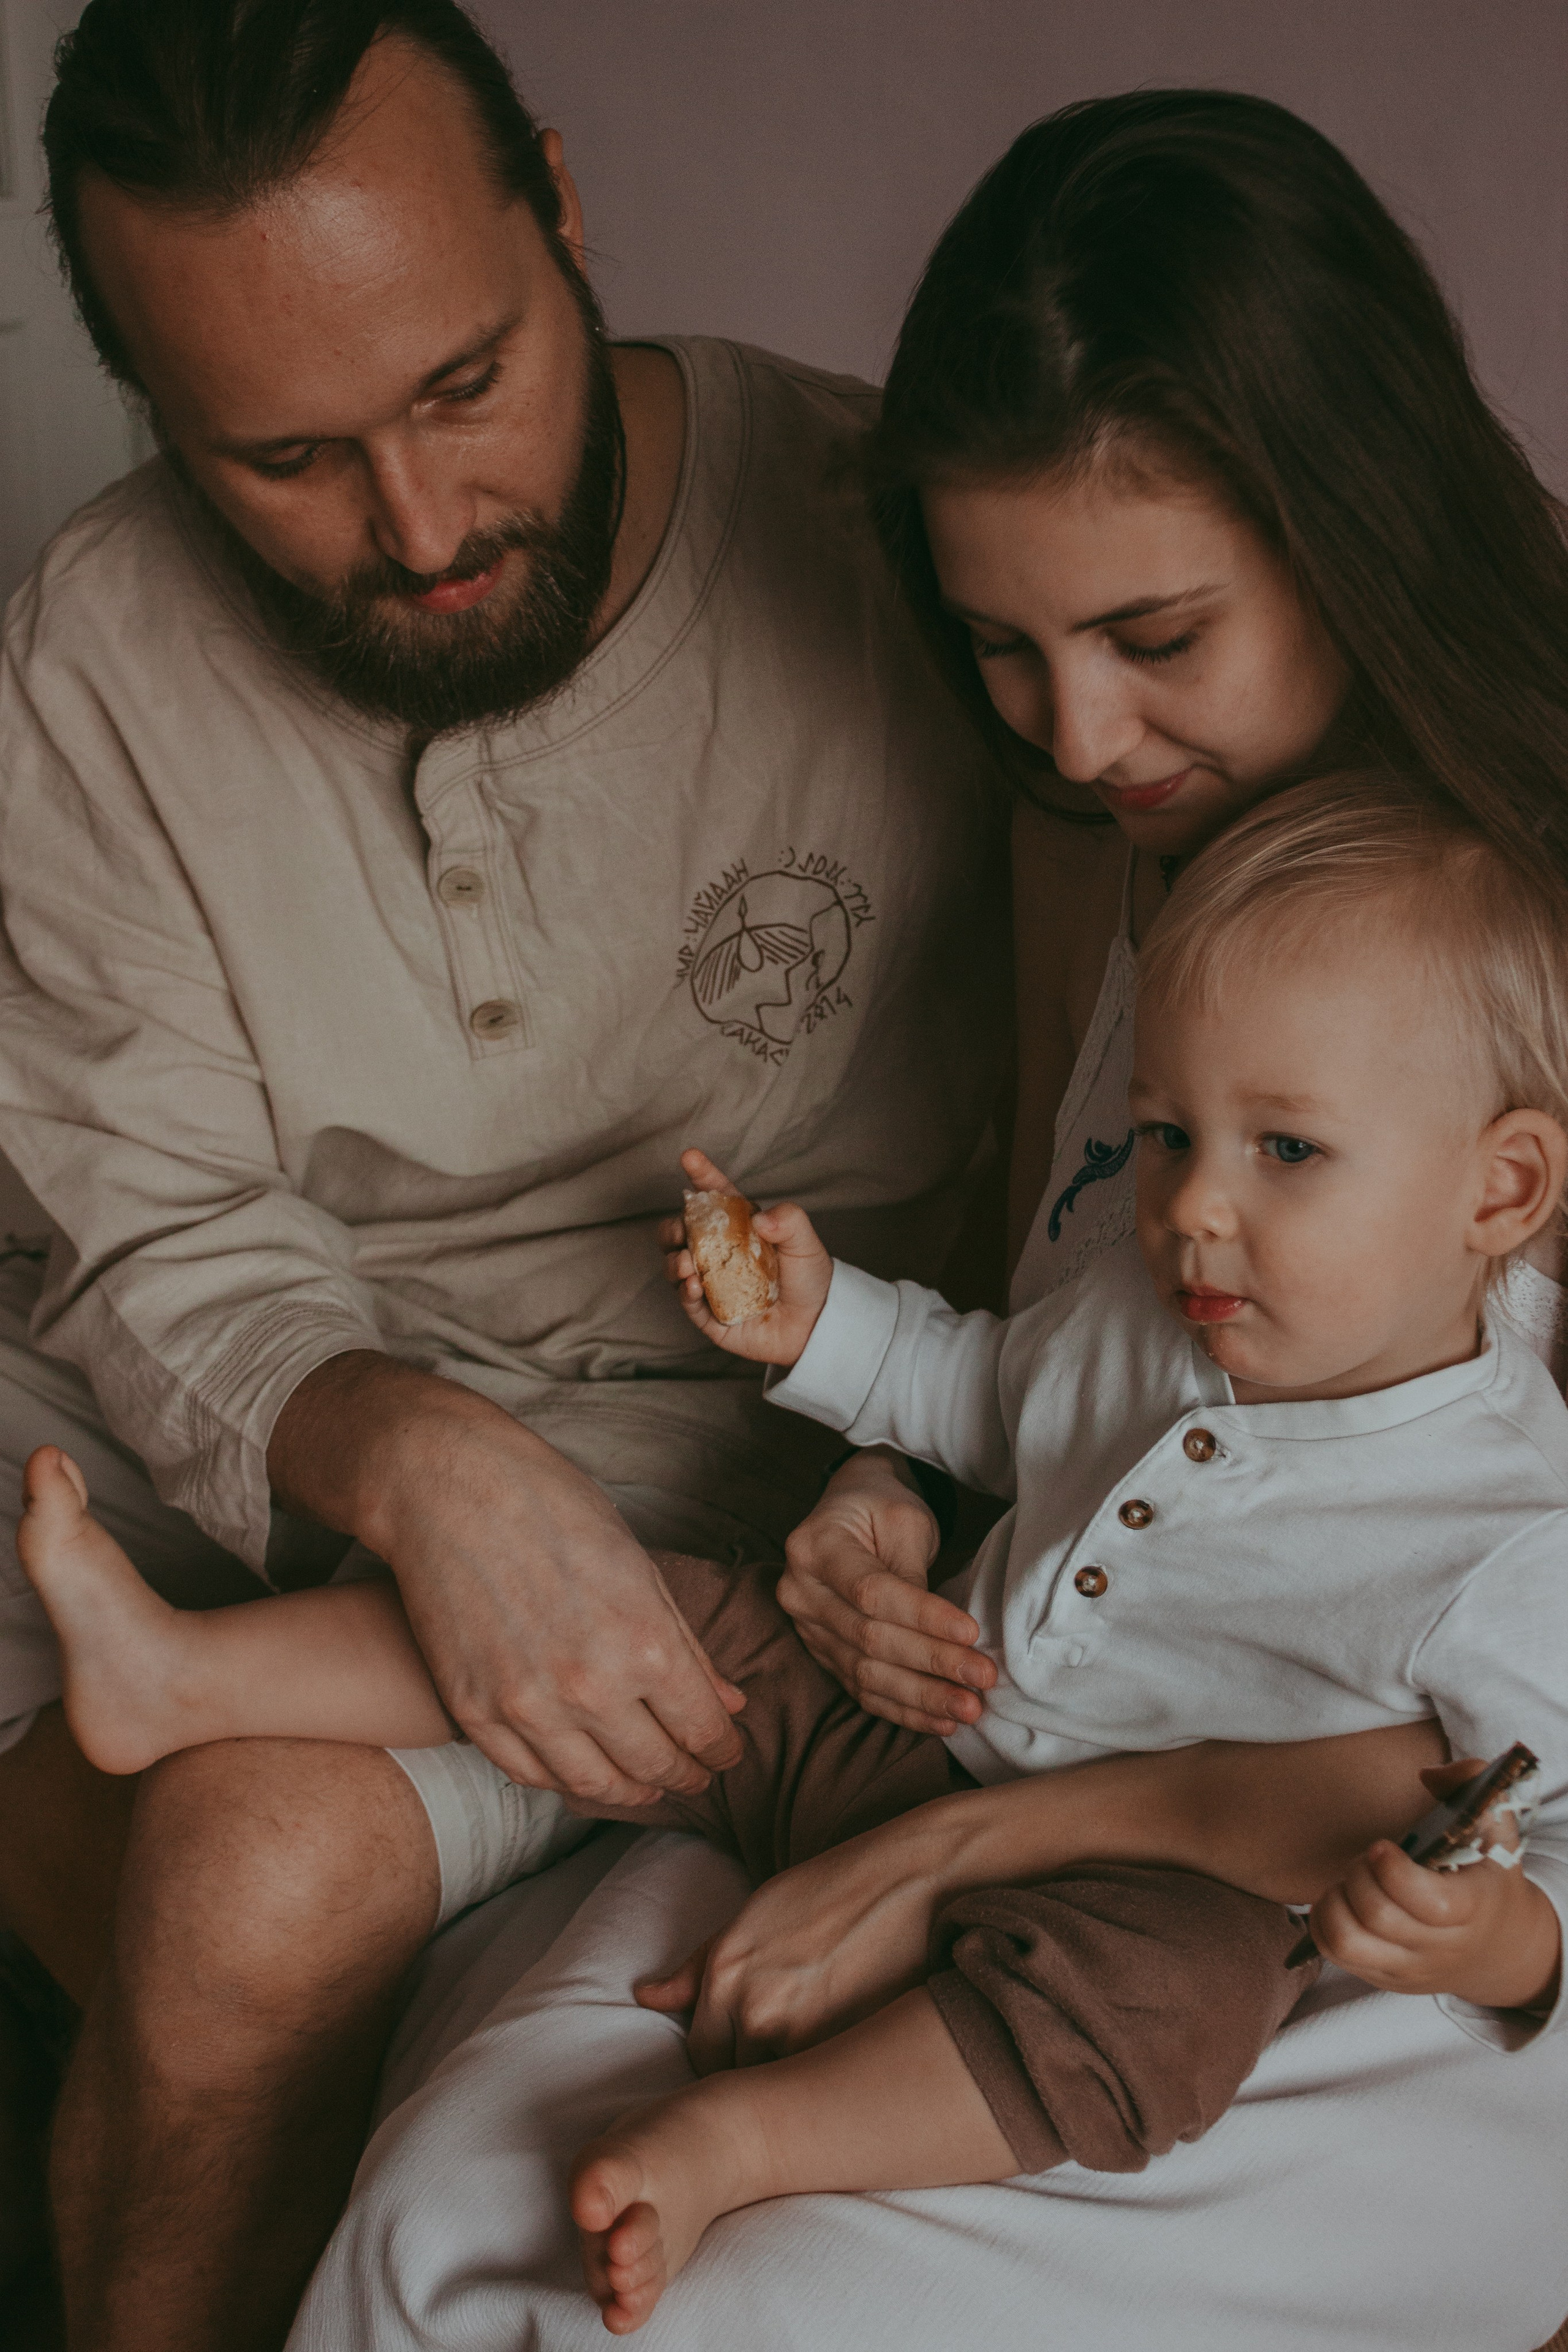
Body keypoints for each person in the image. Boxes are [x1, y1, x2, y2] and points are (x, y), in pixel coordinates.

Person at [285, 91, 1568, 2352]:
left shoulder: (1513, 920)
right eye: (1004, 649)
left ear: (1350, 525)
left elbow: (1470, 1727)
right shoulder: (1118, 848)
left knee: (744, 2306)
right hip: (1025, 1736)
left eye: (1155, 630)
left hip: (1388, 1900)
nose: (1078, 733)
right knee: (454, 2231)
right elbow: (1067, 1339)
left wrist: (944, 1855)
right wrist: (883, 1506)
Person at [18, 771, 1568, 2340]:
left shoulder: (1500, 1535)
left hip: (1143, 1880)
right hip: (903, 1733)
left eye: (1286, 1151)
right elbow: (973, 1394)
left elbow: (1531, 1818)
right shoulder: (1142, 1316)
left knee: (1165, 2010)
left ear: (1497, 1187)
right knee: (641, 1614)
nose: (1194, 1209)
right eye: (1164, 1135)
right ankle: (181, 1677)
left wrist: (1496, 1943)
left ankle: (738, 2148)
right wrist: (817, 1325)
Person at [0, 1, 1014, 2342]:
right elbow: (151, 1230)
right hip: (196, 1456)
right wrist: (415, 1460)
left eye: (466, 384)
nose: (425, 528)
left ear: (559, 203)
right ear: (156, 411)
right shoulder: (92, 653)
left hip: (704, 1452)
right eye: (284, 457)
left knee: (245, 1873)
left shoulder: (885, 539)